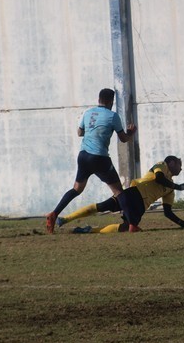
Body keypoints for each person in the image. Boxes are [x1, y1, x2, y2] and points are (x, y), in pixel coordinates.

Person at [45, 88, 136, 234]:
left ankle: (54, 214)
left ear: (99, 99)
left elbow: (80, 132)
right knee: (119, 191)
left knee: (76, 189)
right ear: (110, 101)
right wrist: (130, 133)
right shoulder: (113, 116)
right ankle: (132, 225)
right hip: (100, 158)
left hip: (83, 156)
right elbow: (123, 139)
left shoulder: (87, 113)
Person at [57, 155, 184, 233]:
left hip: (141, 207)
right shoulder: (161, 165)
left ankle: (89, 230)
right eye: (179, 165)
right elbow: (159, 178)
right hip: (134, 193)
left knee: (126, 227)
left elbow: (168, 212)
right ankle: (65, 219)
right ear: (171, 162)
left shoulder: (170, 189)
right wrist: (178, 186)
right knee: (103, 206)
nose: (181, 169)